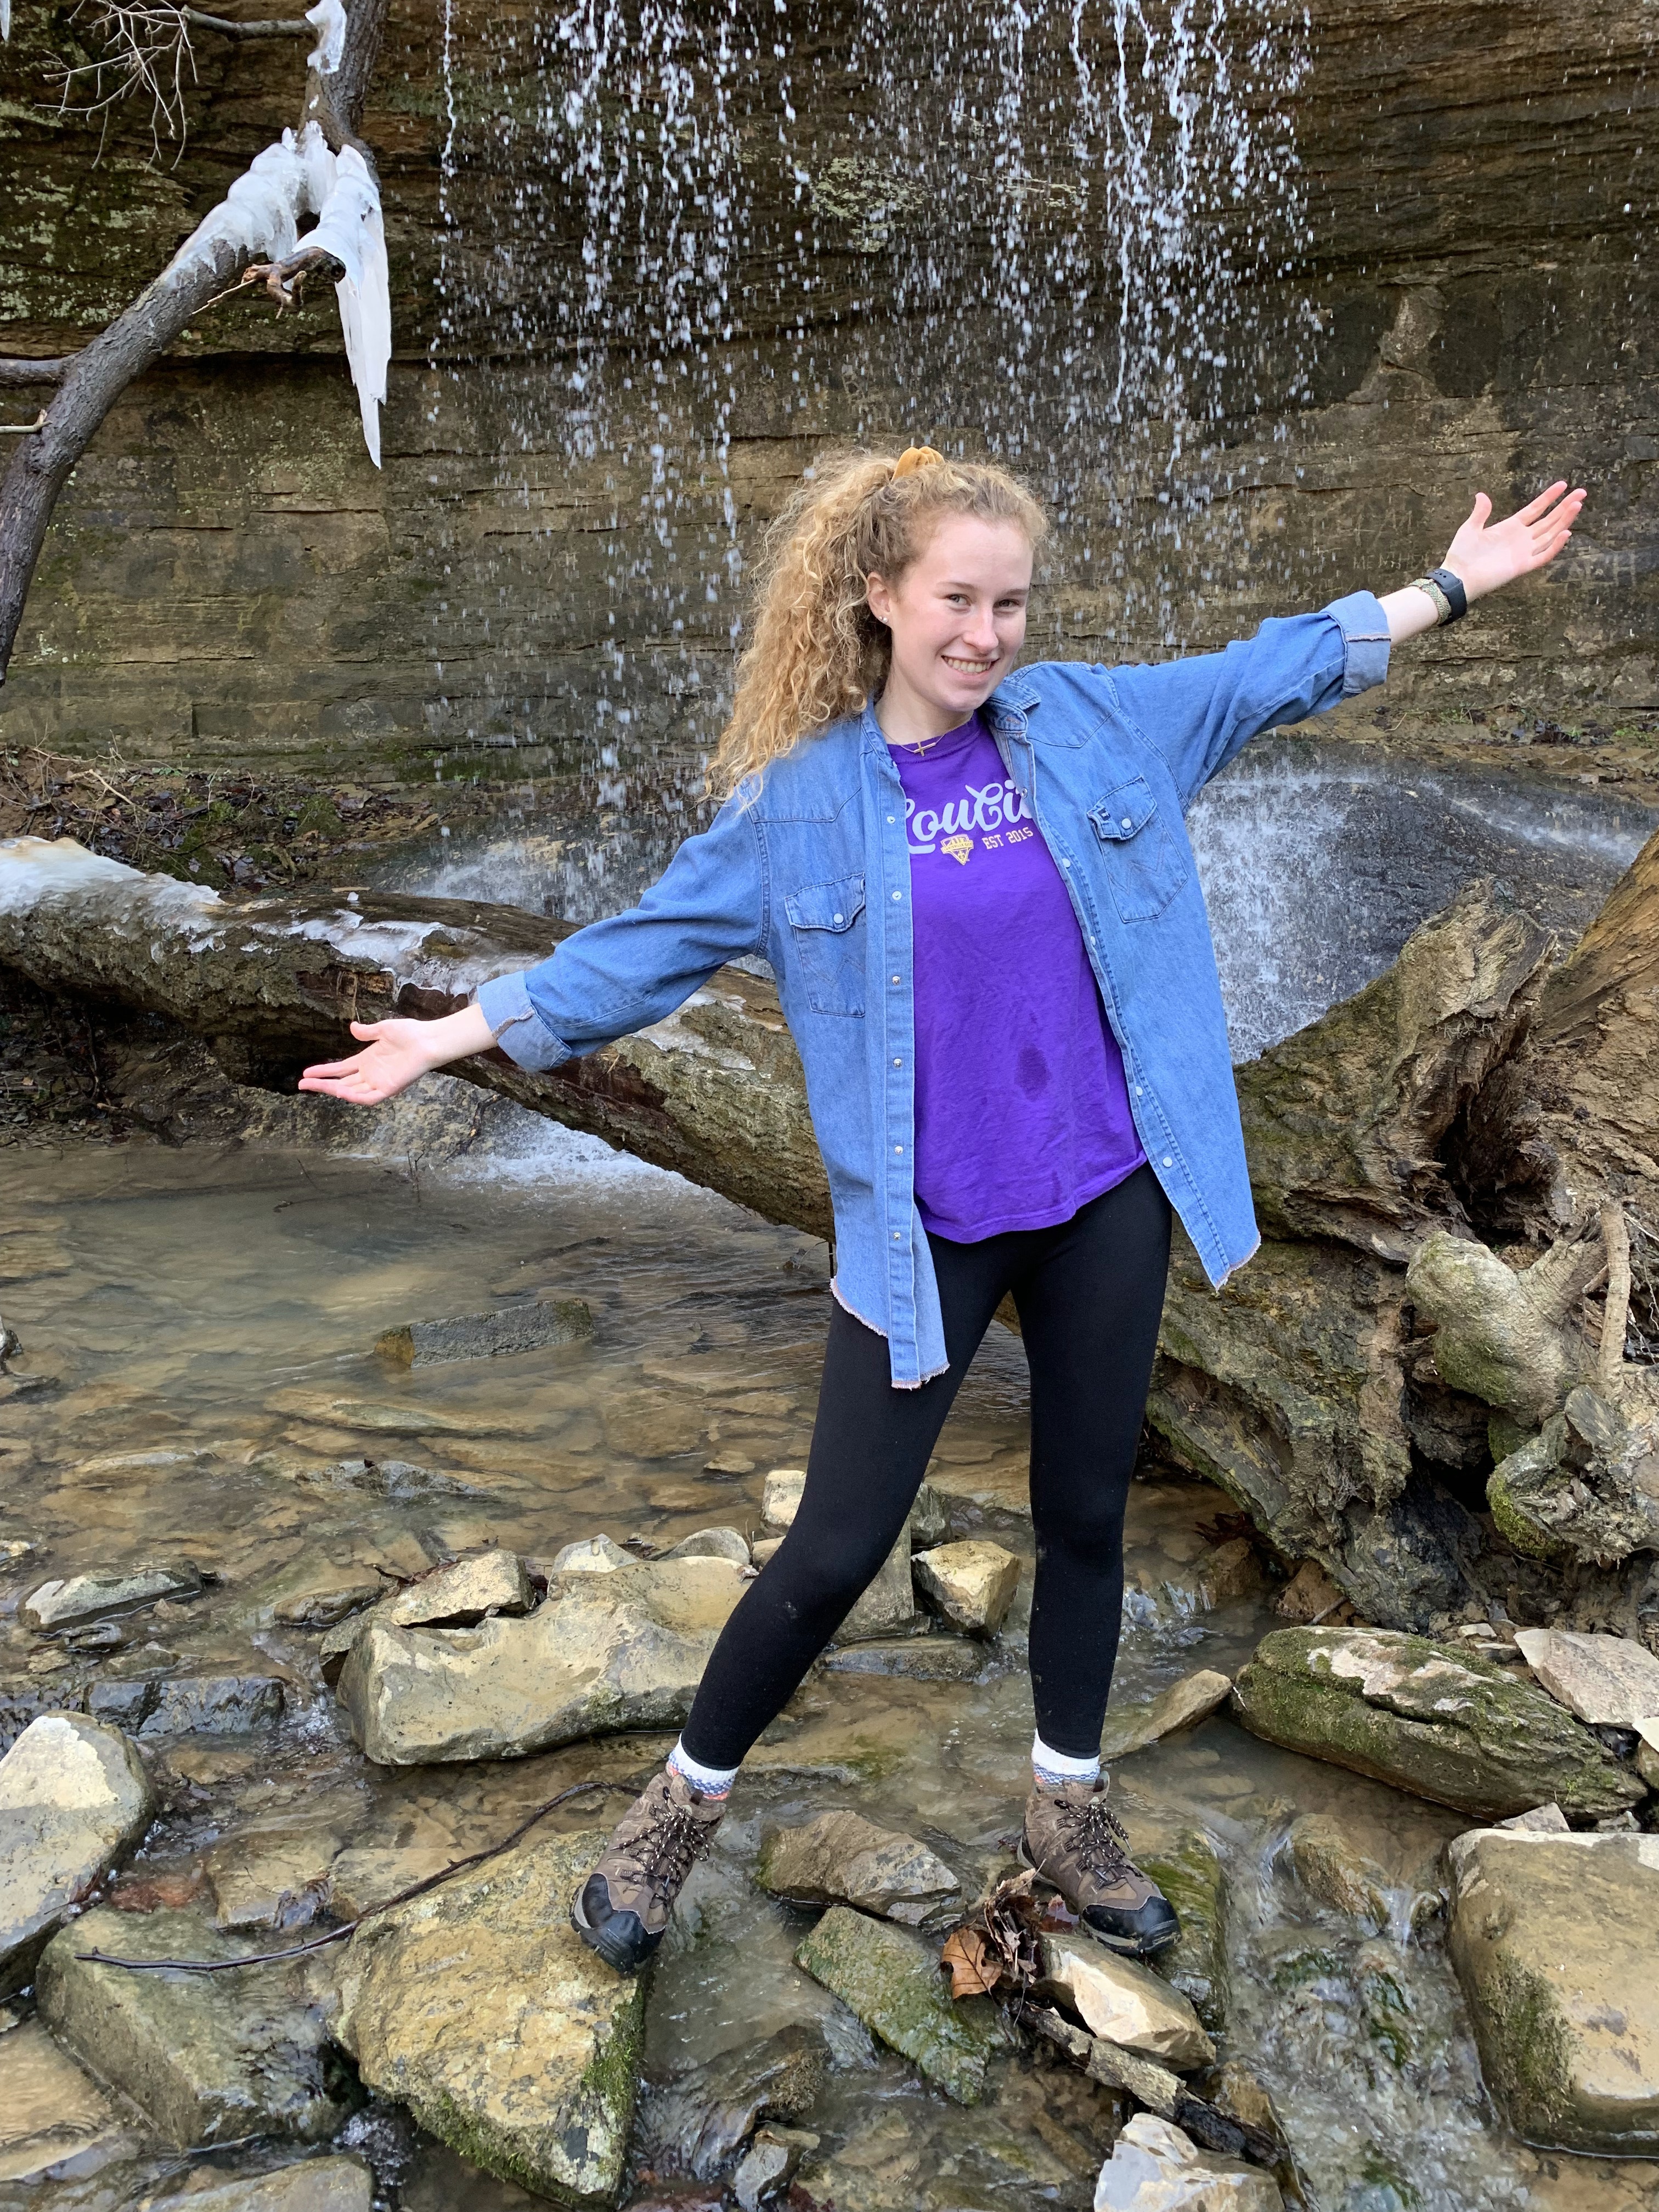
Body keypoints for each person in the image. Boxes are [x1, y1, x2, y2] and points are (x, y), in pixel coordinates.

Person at [300, 447, 1584, 1974]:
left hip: (1103, 1198)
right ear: (879, 596)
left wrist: (1449, 587)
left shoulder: (1094, 723)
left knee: (1083, 1517)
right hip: (928, 1234)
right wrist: (446, 1037)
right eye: (957, 601)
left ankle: (1067, 1808)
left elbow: (1272, 671)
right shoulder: (799, 811)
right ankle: (677, 1811)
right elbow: (631, 955)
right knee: (834, 1550)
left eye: (1009, 604)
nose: (985, 635)